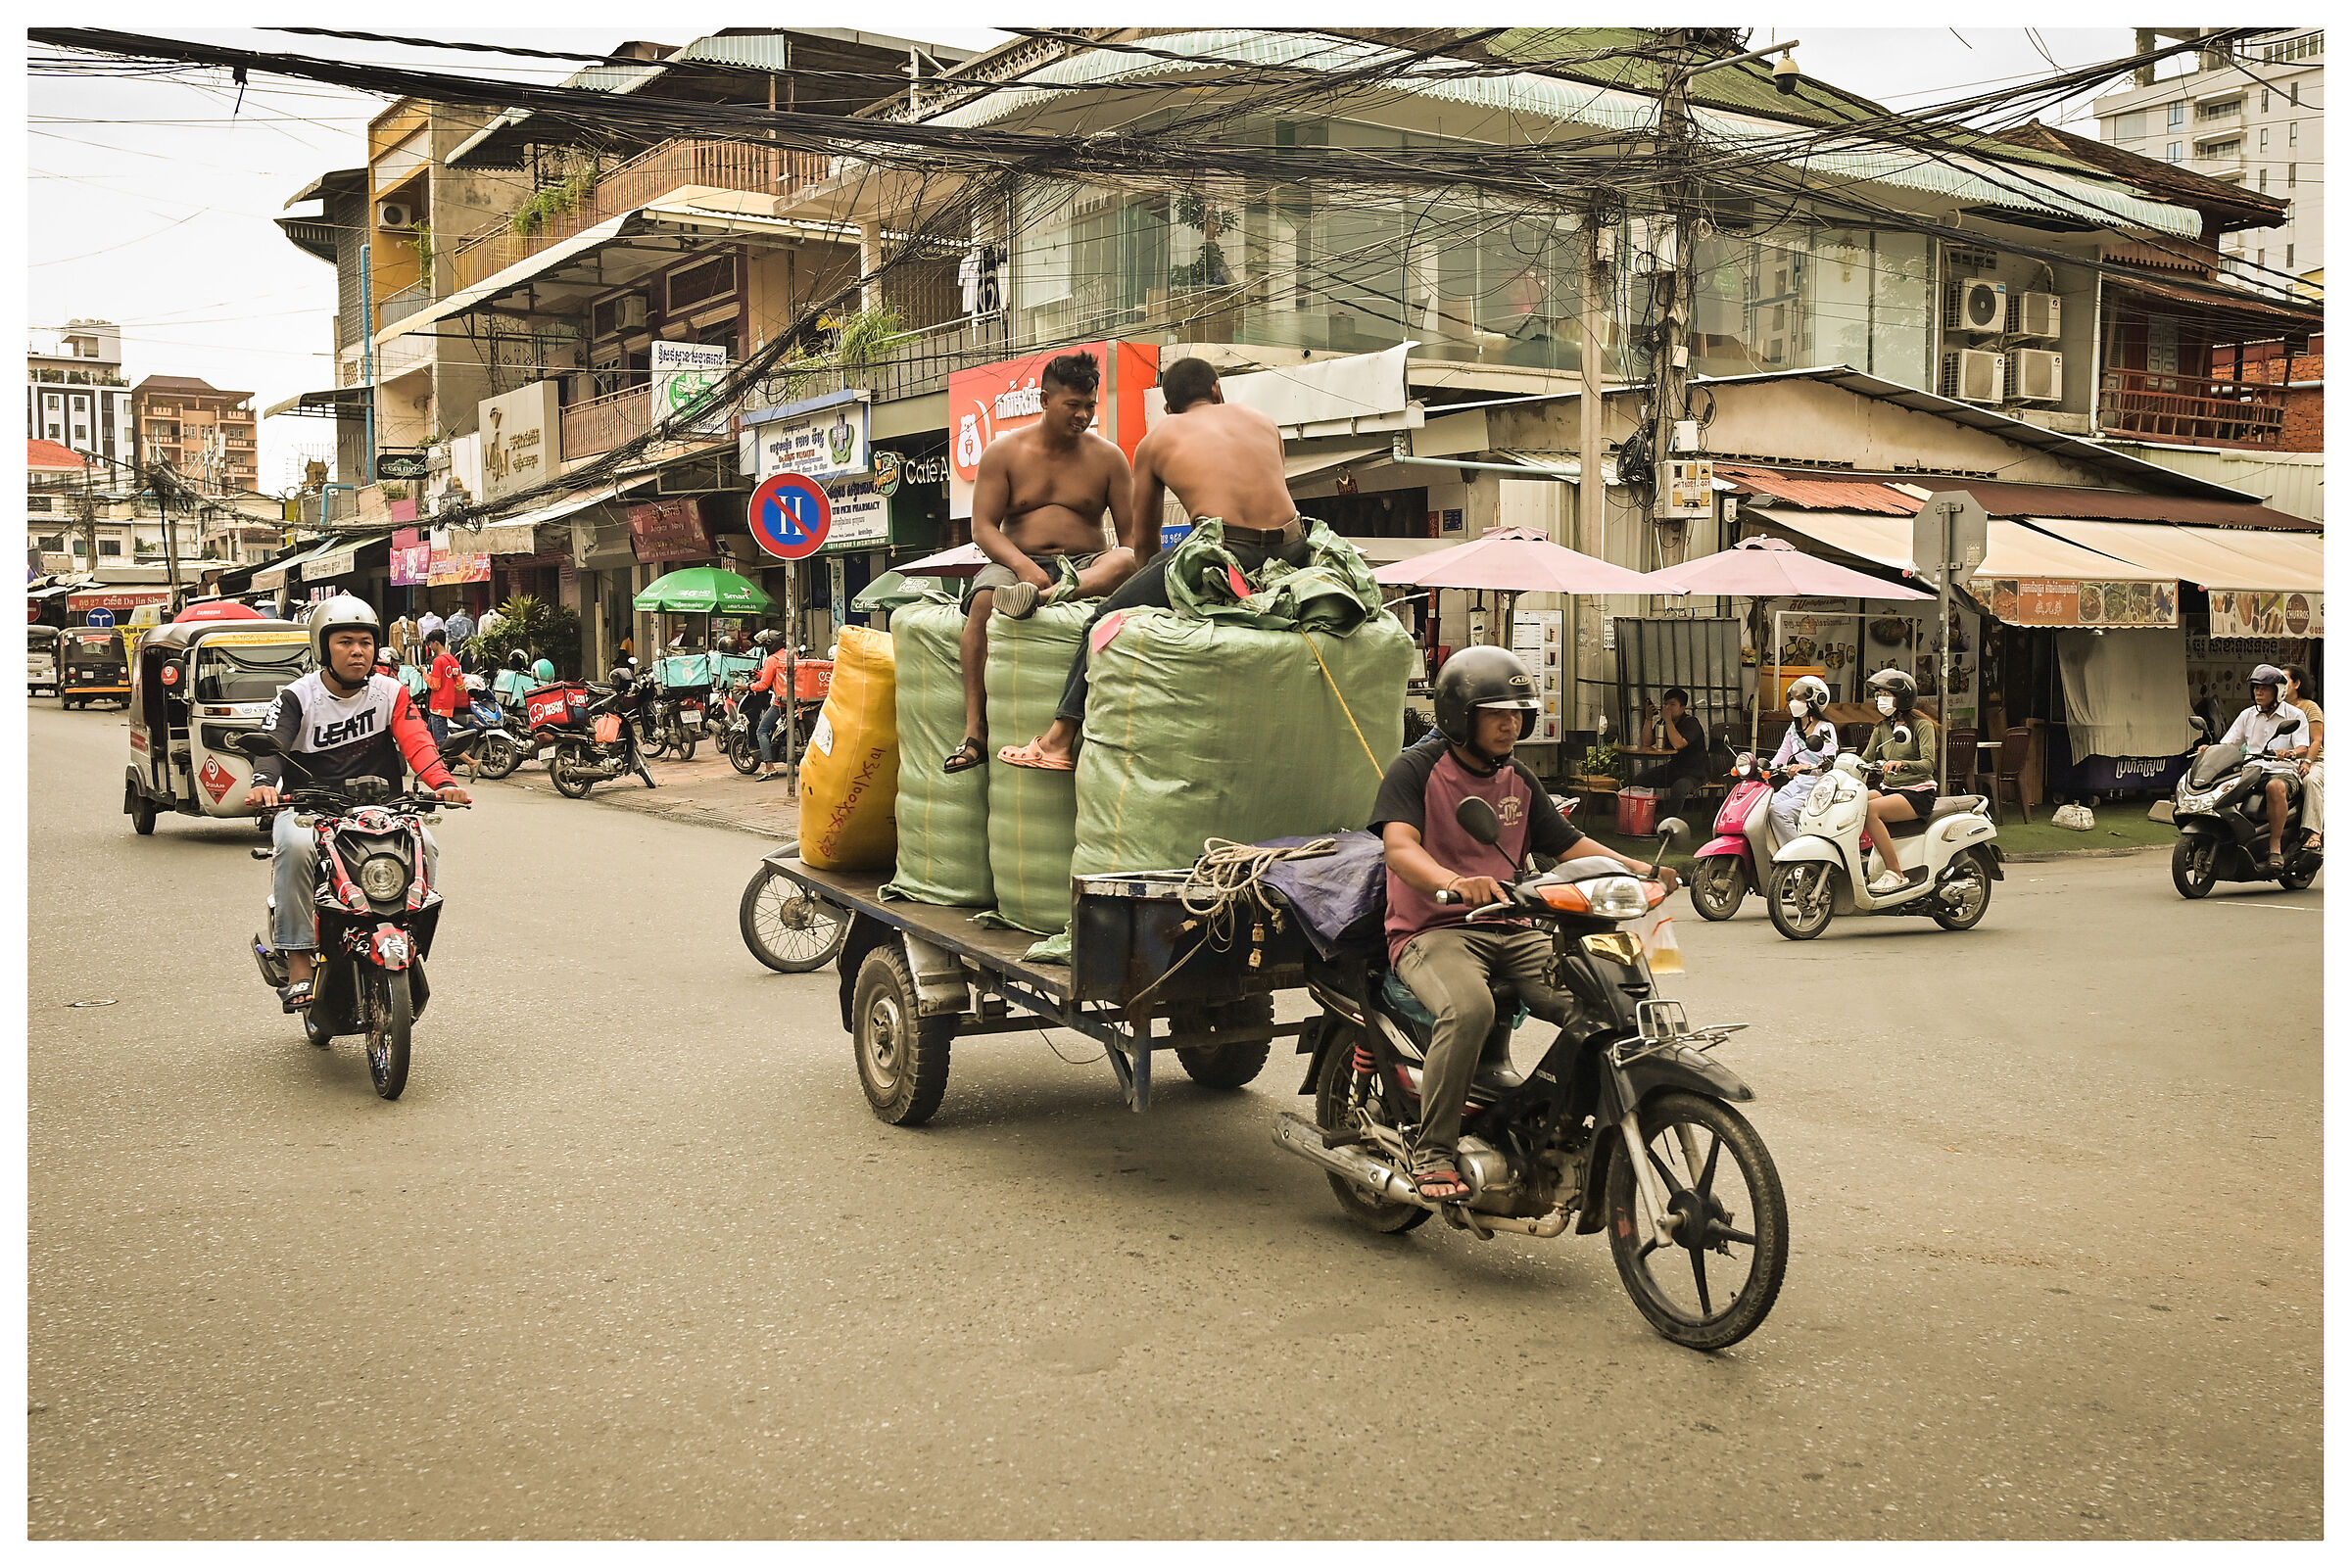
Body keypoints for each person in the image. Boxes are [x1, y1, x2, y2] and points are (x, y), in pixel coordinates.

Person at [1370, 646, 1678, 1203]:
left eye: (1518, 712)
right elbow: (1399, 847)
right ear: (1459, 715)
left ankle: (1555, 1122)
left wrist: (1635, 868)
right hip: (1432, 930)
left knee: (1604, 1000)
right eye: (1495, 712)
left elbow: (1565, 846)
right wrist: (1452, 882)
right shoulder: (1416, 769)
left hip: (1513, 926)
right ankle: (1433, 1149)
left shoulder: (1517, 777)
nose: (1510, 723)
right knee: (1471, 1007)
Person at [999, 356, 1321, 771]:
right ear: (1217, 391)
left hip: (1225, 550)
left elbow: (1145, 549)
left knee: (1101, 619)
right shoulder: (1263, 421)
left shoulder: (1156, 440)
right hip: (1294, 547)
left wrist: (1147, 595)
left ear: (1167, 408)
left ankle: (1059, 739)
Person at [243, 595, 469, 1012]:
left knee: (426, 843)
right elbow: (272, 744)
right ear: (323, 647)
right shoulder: (298, 696)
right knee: (294, 848)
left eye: (365, 642)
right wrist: (264, 784)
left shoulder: (390, 692)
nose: (357, 651)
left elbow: (418, 741)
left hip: (382, 806)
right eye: (345, 641)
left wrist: (443, 782)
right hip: (310, 807)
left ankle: (408, 938)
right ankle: (296, 962)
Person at [948, 350, 1144, 774]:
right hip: (1018, 562)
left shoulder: (1109, 457)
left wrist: (1098, 570)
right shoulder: (1004, 452)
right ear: (1044, 400)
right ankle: (974, 732)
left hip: (1088, 565)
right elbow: (983, 528)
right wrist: (1024, 568)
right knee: (982, 603)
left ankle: (1054, 595)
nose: (1083, 416)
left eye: (1090, 406)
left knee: (1127, 559)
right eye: (1072, 405)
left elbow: (1130, 541)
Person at [2205, 664, 2303, 872]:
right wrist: (2209, 749)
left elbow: (2303, 745)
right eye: (2256, 688)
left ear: (2278, 691)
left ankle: (2275, 847)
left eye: (2264, 688)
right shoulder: (2247, 715)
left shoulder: (2294, 715)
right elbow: (2229, 743)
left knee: (2275, 787)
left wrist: (2290, 753)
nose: (2259, 692)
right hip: (2252, 770)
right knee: (2224, 788)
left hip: (2283, 771)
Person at [1858, 668, 1941, 894]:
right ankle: (1857, 864)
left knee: (1869, 809)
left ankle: (1896, 872)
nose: (1880, 700)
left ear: (1902, 698)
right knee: (1852, 803)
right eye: (1879, 695)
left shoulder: (1922, 726)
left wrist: (1901, 764)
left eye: (1886, 694)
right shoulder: (1883, 727)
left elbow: (1928, 764)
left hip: (1917, 793)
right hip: (1890, 789)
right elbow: (1866, 758)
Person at [1767, 675, 1841, 842]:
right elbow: (1781, 757)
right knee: (1763, 808)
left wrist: (1805, 767)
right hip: (1796, 784)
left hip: (1818, 787)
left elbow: (1829, 763)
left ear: (1815, 701)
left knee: (1779, 812)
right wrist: (1760, 768)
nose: (1794, 703)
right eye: (1792, 699)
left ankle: (1798, 856)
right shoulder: (1793, 729)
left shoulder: (1825, 728)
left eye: (1800, 699)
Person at [1633, 687, 1711, 821]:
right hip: (1674, 768)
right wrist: (1648, 719)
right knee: (1639, 780)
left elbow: (1678, 744)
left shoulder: (1691, 723)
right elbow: (1647, 743)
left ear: (1683, 707)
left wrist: (1668, 720)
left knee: (1679, 788)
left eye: (1673, 705)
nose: (1668, 708)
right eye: (1665, 704)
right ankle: (1640, 818)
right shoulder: (1662, 722)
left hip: (1695, 772)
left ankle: (1667, 822)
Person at [2281, 662, 2323, 854]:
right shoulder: (2276, 707)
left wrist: (2307, 762)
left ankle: (2314, 833)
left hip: (2314, 760)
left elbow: (2316, 740)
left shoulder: (2309, 707)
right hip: (2283, 760)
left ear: (2296, 683)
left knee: (2310, 780)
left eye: (2284, 680)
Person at [747, 632, 793, 779]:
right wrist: (761, 673)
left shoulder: (772, 660)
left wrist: (748, 687)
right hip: (798, 699)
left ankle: (769, 766)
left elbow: (763, 685)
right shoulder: (791, 655)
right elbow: (780, 674)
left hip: (781, 702)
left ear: (770, 645)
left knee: (761, 730)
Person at [421, 629, 463, 747]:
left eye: (430, 644)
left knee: (441, 741)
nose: (430, 647)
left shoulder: (438, 661)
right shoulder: (453, 660)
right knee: (428, 738)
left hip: (438, 705)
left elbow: (435, 685)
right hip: (448, 704)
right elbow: (459, 684)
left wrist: (425, 674)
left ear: (436, 643)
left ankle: (470, 761)